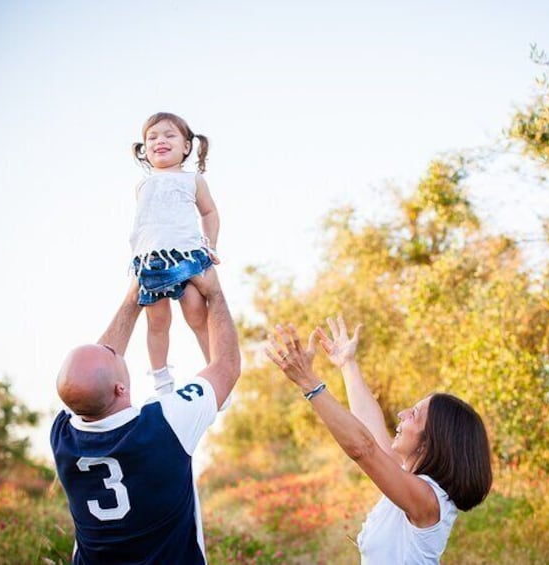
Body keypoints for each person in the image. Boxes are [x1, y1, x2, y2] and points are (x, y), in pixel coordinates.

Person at [50, 269, 240, 564]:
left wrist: (133, 298)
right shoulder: (165, 424)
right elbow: (226, 367)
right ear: (120, 388)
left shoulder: (62, 436)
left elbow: (87, 381)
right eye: (114, 355)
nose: (114, 350)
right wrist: (215, 293)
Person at [266, 316, 492, 564]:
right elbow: (370, 433)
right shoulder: (409, 481)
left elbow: (363, 448)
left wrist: (308, 382)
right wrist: (347, 364)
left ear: (429, 442)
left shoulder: (428, 501)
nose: (401, 414)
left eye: (414, 414)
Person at [129, 111, 220, 389]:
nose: (160, 141)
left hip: (185, 256)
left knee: (196, 311)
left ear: (186, 146)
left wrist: (211, 244)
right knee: (157, 319)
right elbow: (145, 225)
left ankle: (214, 372)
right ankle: (160, 378)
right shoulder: (143, 185)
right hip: (152, 260)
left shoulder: (193, 180)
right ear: (145, 150)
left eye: (170, 135)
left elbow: (209, 212)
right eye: (152, 137)